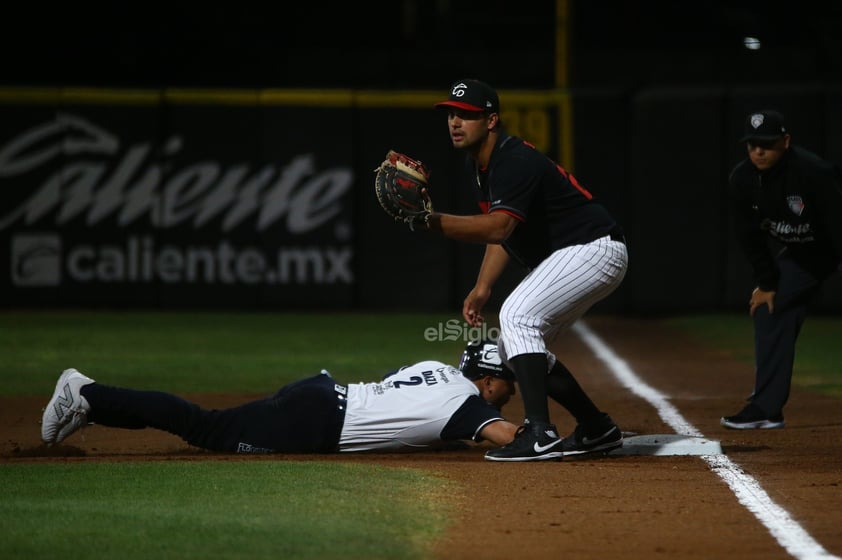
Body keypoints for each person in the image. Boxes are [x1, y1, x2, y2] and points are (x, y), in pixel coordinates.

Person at [421, 79, 628, 461]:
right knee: (513, 345)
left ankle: (539, 433)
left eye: (466, 115)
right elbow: (505, 233)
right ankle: (597, 428)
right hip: (579, 253)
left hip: (593, 248)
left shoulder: (513, 160)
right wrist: (482, 286)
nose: (455, 122)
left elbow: (498, 227)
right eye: (452, 114)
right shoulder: (483, 165)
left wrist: (432, 222)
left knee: (517, 316)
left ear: (492, 120)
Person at [41, 339, 520, 454]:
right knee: (204, 426)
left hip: (322, 396)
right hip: (318, 422)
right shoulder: (469, 406)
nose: (510, 395)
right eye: (510, 386)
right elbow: (509, 438)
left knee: (208, 423)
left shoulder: (436, 369)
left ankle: (91, 404)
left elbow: (403, 397)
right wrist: (544, 438)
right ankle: (87, 392)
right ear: (490, 381)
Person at [721, 109, 842, 429]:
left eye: (767, 143)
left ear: (785, 141)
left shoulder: (812, 172)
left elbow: (837, 227)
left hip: (834, 242)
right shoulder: (742, 179)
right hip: (805, 255)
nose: (758, 151)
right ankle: (766, 408)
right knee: (768, 308)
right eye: (752, 145)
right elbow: (749, 237)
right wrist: (767, 282)